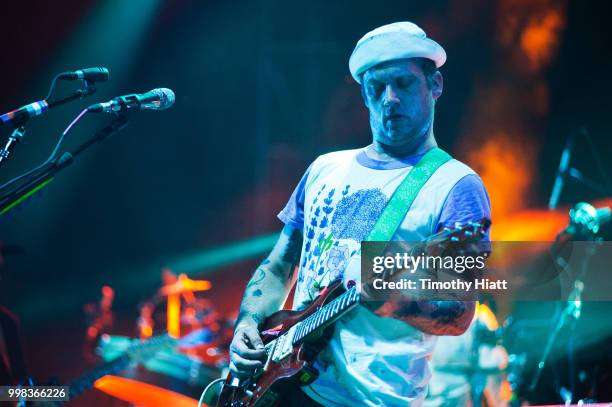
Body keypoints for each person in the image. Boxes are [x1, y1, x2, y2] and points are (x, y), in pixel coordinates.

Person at [228, 22, 492, 406]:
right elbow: (279, 264)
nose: (390, 99)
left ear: (435, 85)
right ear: (364, 96)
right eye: (376, 88)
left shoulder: (455, 185)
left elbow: (459, 312)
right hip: (288, 382)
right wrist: (248, 325)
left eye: (403, 83)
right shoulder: (325, 168)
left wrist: (393, 301)